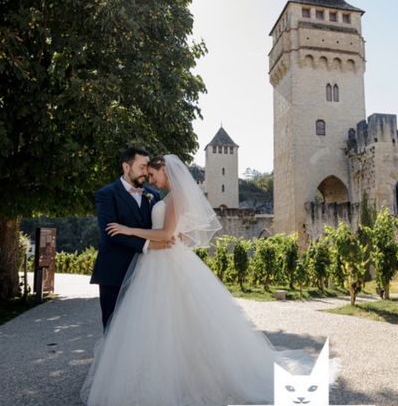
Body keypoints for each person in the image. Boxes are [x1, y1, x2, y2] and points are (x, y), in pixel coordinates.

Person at [81, 154, 326, 406]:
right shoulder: (141, 195)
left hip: (163, 263)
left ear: (163, 169)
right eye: (144, 170)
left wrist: (131, 229)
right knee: (149, 324)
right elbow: (164, 230)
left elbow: (165, 232)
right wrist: (168, 236)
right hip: (146, 263)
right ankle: (133, 375)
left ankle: (171, 380)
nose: (150, 179)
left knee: (166, 324)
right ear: (126, 165)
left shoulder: (167, 196)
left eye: (151, 172)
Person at [90, 147, 169, 330]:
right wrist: (149, 245)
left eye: (147, 168)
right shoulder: (106, 194)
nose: (145, 173)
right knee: (113, 328)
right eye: (141, 167)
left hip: (146, 274)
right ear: (126, 166)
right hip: (114, 273)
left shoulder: (154, 196)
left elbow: (160, 227)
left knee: (142, 330)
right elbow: (110, 233)